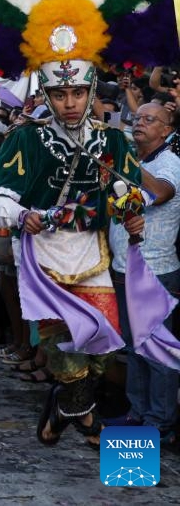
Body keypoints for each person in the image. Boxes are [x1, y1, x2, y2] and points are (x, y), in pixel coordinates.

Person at [0, 56, 148, 449]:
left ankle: (65, 407)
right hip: (42, 255)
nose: (70, 102)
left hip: (92, 253)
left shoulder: (112, 141)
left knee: (103, 348)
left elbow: (125, 190)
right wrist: (22, 215)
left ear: (91, 92)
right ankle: (89, 421)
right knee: (63, 349)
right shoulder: (25, 138)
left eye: (77, 93)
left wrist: (133, 215)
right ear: (47, 96)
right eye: (60, 95)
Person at [108, 101, 180, 443]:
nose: (139, 123)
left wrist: (125, 161)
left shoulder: (170, 163)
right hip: (125, 267)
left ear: (167, 130)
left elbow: (160, 192)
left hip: (155, 270)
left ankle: (160, 421)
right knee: (134, 348)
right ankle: (137, 412)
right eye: (137, 118)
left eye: (149, 120)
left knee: (156, 350)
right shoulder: (133, 161)